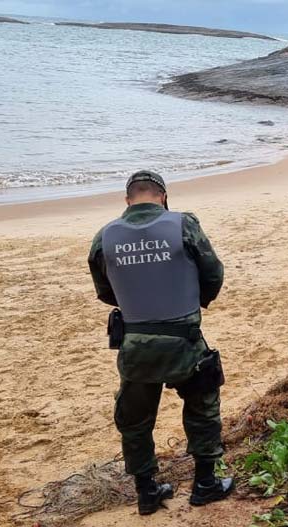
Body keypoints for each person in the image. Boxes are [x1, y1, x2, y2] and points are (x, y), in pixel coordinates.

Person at [87, 170, 233, 515]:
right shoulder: (183, 224)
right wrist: (190, 300)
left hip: (135, 341)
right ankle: (205, 484)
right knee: (202, 405)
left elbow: (104, 290)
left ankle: (147, 492)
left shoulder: (104, 236)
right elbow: (213, 273)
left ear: (127, 200)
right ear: (163, 197)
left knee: (135, 419)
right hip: (183, 338)